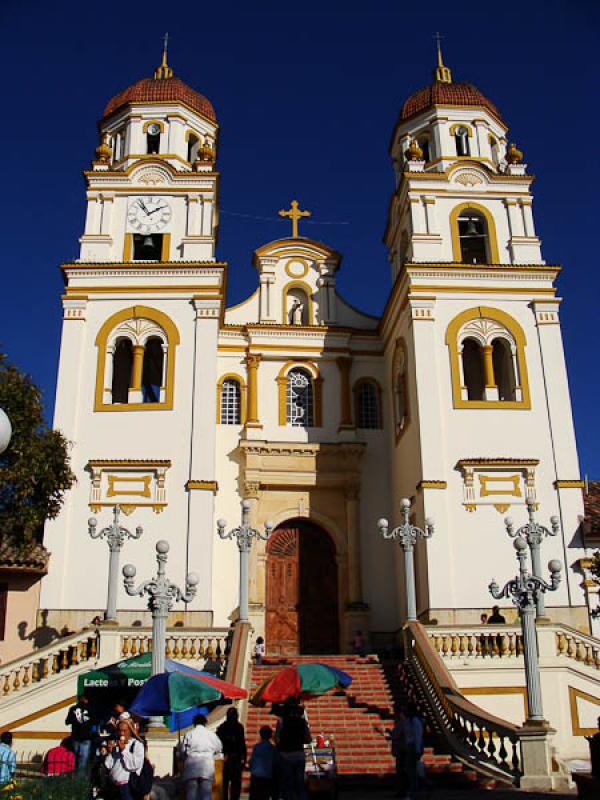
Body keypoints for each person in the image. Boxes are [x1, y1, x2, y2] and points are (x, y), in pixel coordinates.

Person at [275, 698, 311, 800]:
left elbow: (277, 739)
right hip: (299, 754)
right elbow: (308, 739)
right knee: (299, 784)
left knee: (288, 784)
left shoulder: (281, 721)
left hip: (286, 755)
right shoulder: (302, 722)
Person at [182, 713, 223, 800]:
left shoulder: (189, 734)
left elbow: (182, 750)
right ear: (205, 723)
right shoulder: (211, 734)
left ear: (194, 723)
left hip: (191, 763)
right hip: (206, 764)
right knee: (206, 793)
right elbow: (218, 747)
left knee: (191, 793)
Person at [104, 719, 144, 799]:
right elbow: (108, 764)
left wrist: (123, 750)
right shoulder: (116, 745)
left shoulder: (137, 745)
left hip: (127, 787)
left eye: (124, 731)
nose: (122, 733)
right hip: (114, 786)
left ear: (130, 731)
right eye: (119, 731)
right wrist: (111, 751)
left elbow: (134, 765)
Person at [217, 707, 247, 800]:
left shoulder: (225, 727)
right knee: (233, 782)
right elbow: (242, 744)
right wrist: (243, 758)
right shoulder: (236, 727)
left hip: (231, 757)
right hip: (231, 757)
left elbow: (242, 743)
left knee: (229, 782)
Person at [66, 694, 94, 773]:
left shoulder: (72, 709)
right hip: (86, 737)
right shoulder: (90, 709)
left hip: (75, 737)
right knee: (83, 759)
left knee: (74, 758)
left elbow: (67, 722)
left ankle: (72, 776)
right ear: (86, 700)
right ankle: (80, 780)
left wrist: (75, 720)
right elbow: (94, 721)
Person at [249, 726, 276, 800]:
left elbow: (252, 761)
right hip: (267, 776)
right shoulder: (273, 748)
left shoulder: (256, 747)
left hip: (256, 775)